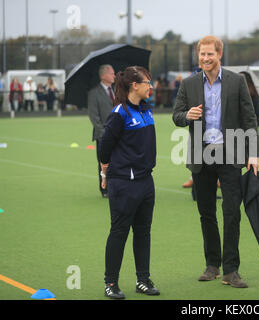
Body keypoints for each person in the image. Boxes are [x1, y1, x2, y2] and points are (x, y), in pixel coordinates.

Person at [173, 35, 258, 288]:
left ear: (219, 54)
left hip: (230, 153)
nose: (206, 58)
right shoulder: (188, 84)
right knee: (206, 212)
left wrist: (252, 153)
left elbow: (249, 118)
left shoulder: (236, 81)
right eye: (202, 54)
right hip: (201, 155)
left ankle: (231, 270)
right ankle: (212, 265)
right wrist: (186, 115)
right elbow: (176, 115)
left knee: (232, 212)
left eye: (210, 54)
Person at [99, 66, 159, 299]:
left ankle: (142, 280)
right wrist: (106, 171)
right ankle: (110, 283)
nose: (150, 86)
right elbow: (104, 148)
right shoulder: (119, 113)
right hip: (124, 184)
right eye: (147, 82)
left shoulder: (146, 109)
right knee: (119, 232)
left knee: (143, 232)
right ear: (135, 85)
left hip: (146, 182)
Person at [88, 64, 116, 198]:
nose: (114, 76)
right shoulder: (93, 93)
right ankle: (105, 189)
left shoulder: (116, 90)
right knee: (104, 163)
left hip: (118, 133)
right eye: (112, 73)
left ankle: (116, 187)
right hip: (103, 134)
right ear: (104, 75)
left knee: (118, 161)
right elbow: (94, 116)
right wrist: (103, 133)